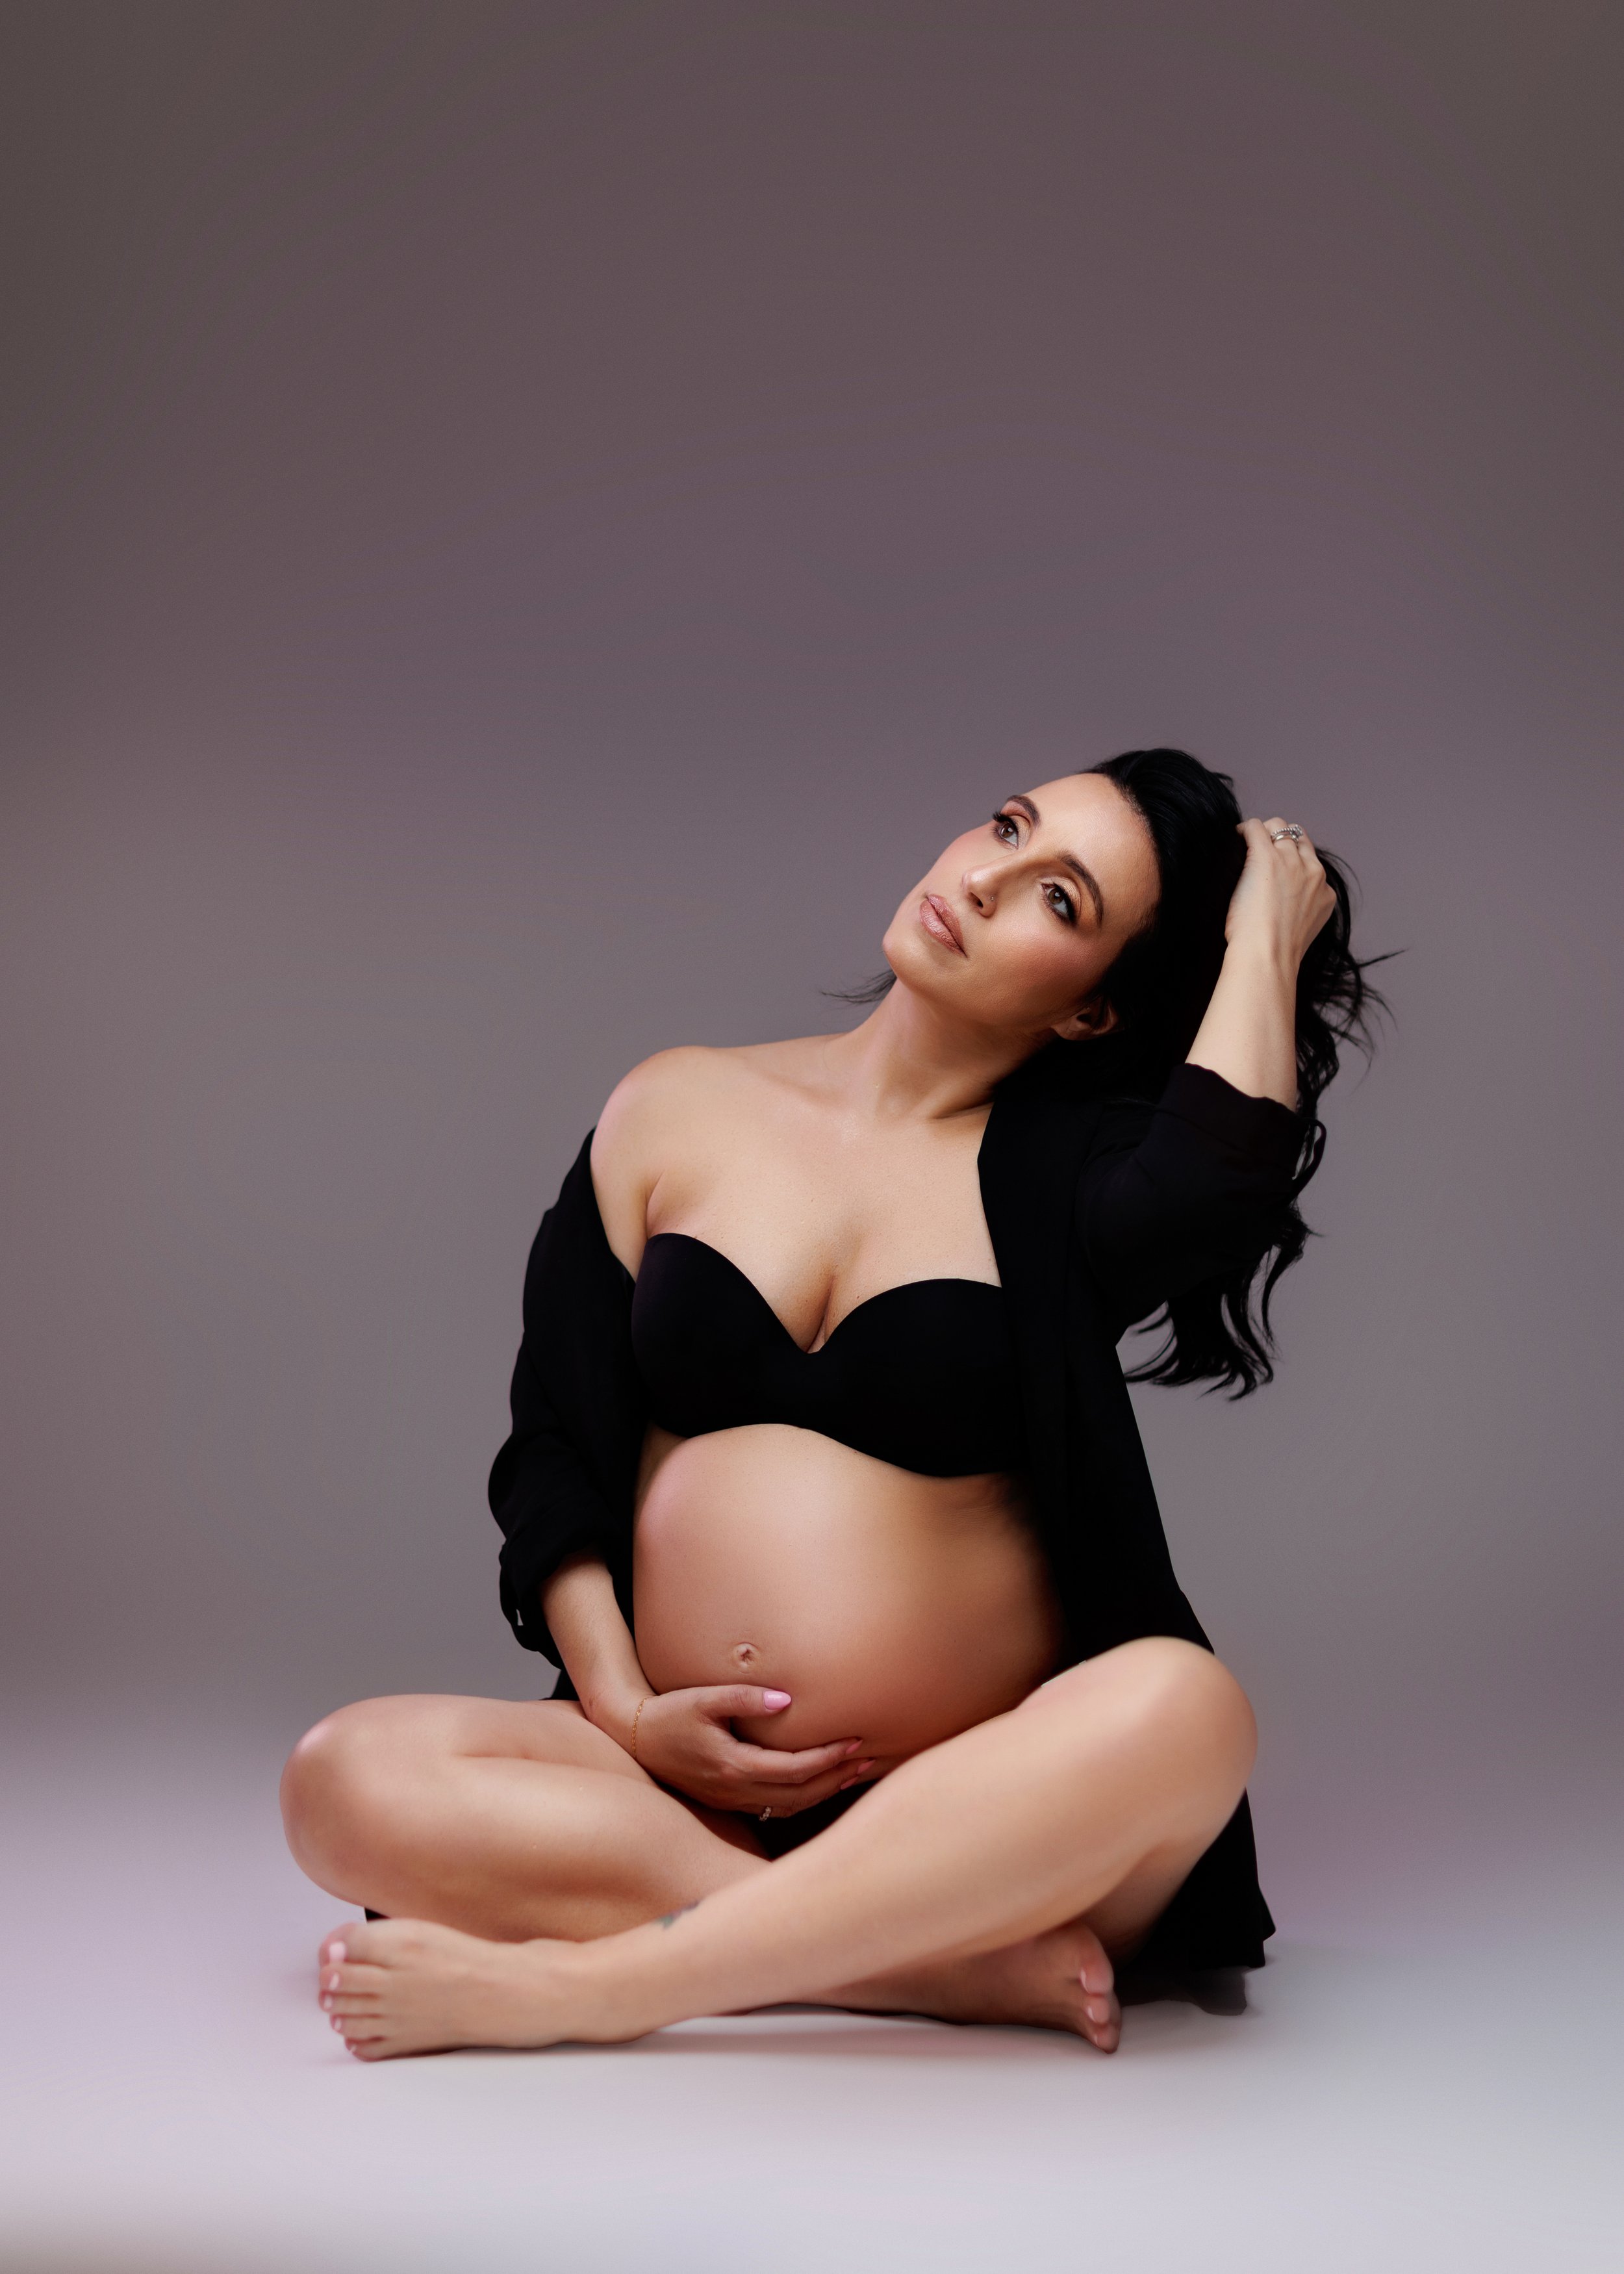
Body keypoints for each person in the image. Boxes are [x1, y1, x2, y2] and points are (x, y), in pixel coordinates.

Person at [281, 747, 1379, 2061]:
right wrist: (629, 1712)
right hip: (666, 1781)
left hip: (977, 1815)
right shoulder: (675, 1101)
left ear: (1091, 1010)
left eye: (1059, 900)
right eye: (1004, 827)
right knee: (338, 1776)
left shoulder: (1068, 1184)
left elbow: (1217, 1175)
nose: (980, 879)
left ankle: (598, 1986)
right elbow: (556, 1452)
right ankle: (918, 1968)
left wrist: (1263, 911)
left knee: (1187, 1710)